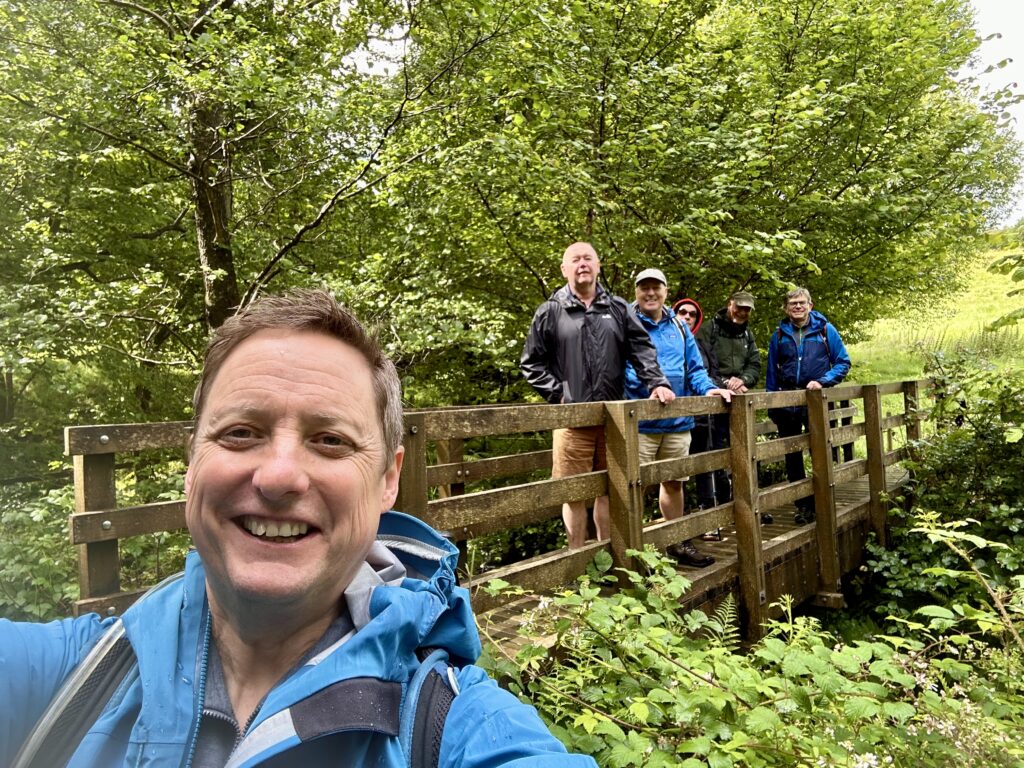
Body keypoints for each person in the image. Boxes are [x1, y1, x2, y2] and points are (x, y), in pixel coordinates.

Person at [1, 289, 596, 768]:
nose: (280, 475)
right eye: (240, 432)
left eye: (331, 440)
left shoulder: (454, 731)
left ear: (388, 480)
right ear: (192, 463)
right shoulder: (67, 678)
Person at [521, 242, 675, 549]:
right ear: (564, 269)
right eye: (575, 260)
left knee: (610, 489)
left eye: (587, 259)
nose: (582, 264)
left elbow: (641, 348)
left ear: (598, 265)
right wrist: (558, 395)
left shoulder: (617, 308)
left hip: (611, 418)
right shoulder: (551, 311)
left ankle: (612, 557)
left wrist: (657, 382)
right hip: (571, 421)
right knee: (572, 492)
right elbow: (531, 362)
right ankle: (576, 558)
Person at [624, 270, 732, 568]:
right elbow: (620, 368)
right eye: (644, 288)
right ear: (636, 292)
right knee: (635, 486)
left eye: (655, 288)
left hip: (677, 422)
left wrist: (709, 387)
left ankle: (677, 542)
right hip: (640, 422)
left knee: (674, 483)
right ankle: (633, 552)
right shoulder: (626, 323)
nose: (650, 294)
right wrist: (651, 388)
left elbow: (694, 368)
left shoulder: (679, 327)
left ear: (665, 291)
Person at [766, 287, 851, 524]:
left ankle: (822, 499)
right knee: (792, 456)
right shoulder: (779, 335)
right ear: (786, 308)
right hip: (786, 404)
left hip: (815, 402)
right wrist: (772, 405)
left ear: (810, 306)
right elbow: (772, 372)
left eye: (802, 303)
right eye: (793, 303)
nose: (797, 306)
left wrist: (822, 382)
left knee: (820, 451)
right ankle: (802, 506)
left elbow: (843, 362)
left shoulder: (824, 330)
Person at [695, 290, 762, 512]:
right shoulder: (709, 330)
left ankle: (747, 503)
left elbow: (754, 364)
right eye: (739, 306)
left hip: (740, 400)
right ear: (729, 304)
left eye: (747, 309)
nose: (742, 312)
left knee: (745, 451)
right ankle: (716, 506)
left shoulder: (747, 335)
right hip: (714, 400)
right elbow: (703, 365)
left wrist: (743, 380)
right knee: (713, 451)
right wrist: (725, 383)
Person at [672, 298, 726, 538]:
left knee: (704, 466)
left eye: (692, 314)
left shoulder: (702, 345)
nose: (687, 316)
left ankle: (708, 520)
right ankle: (676, 525)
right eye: (682, 312)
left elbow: (711, 374)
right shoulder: (666, 342)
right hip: (672, 419)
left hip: (702, 417)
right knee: (676, 471)